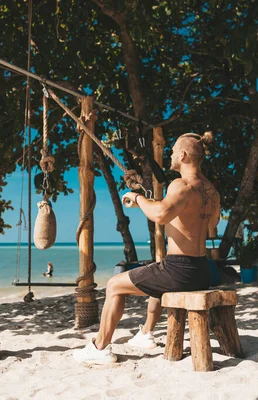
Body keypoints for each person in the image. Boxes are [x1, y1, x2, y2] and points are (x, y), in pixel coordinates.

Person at [73, 132, 220, 364]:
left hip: (179, 270)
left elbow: (160, 215)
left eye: (172, 151)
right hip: (202, 270)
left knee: (114, 285)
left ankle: (100, 348)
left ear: (182, 155)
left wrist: (137, 198)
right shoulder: (212, 191)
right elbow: (212, 225)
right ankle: (145, 334)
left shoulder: (181, 185)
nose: (170, 154)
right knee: (153, 275)